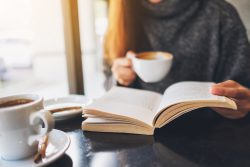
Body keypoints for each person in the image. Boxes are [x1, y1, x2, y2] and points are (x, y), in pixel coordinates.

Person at [103, 0, 250, 119]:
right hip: (134, 135)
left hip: (208, 139)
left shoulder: (221, 14)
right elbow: (106, 84)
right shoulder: (120, 12)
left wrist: (244, 104)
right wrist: (118, 79)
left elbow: (243, 90)